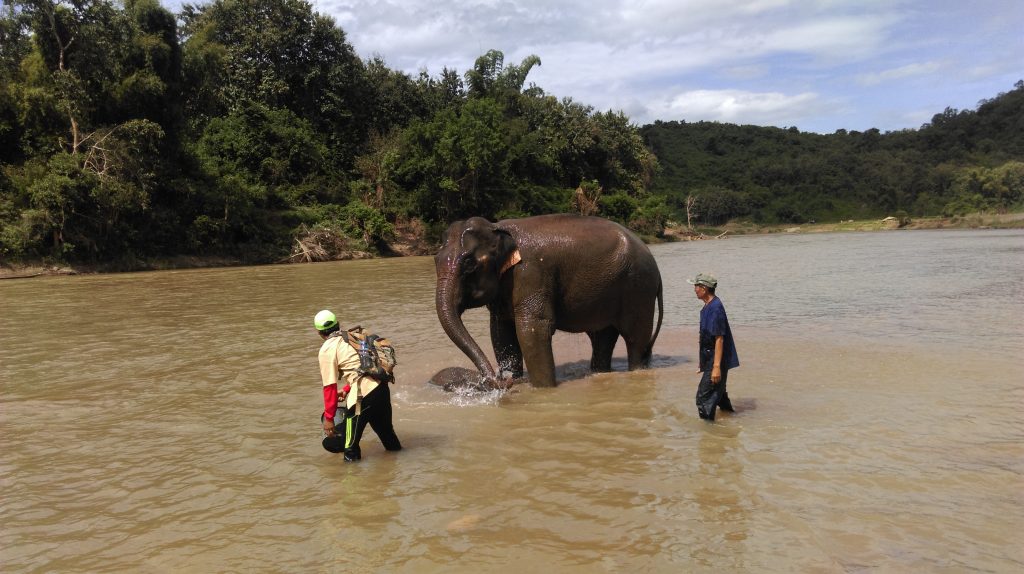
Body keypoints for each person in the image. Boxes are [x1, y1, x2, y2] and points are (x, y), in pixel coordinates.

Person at [314, 309, 402, 462]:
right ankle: (395, 473)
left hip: (362, 398)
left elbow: (329, 387)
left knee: (350, 448)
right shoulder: (352, 337)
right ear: (338, 324)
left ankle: (352, 484)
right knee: (388, 437)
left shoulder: (327, 349)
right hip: (381, 388)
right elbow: (363, 367)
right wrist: (347, 389)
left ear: (319, 332)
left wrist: (329, 418)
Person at [689, 273, 739, 421]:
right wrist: (702, 362)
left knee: (703, 398)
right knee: (719, 393)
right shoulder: (707, 306)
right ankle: (730, 419)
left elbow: (719, 339)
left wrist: (716, 367)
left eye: (696, 286)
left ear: (704, 288)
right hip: (711, 358)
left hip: (717, 359)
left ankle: (709, 435)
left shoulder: (715, 309)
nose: (694, 289)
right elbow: (706, 338)